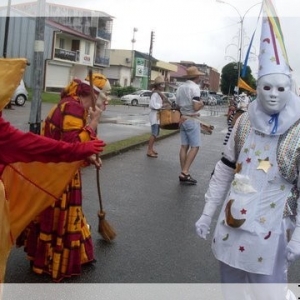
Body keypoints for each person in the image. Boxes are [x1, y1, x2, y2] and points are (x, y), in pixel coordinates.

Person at [195, 2, 299, 299]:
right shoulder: (242, 122)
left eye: (281, 88)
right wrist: (207, 212)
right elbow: (225, 168)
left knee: (269, 294)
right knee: (231, 290)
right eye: (267, 88)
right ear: (258, 88)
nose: (274, 95)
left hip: (273, 228)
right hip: (232, 223)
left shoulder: (299, 130)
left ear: (289, 87)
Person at [0, 58, 105, 285]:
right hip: (59, 173)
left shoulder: (70, 104)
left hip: (59, 167)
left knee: (61, 216)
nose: (102, 105)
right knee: (61, 217)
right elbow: (72, 143)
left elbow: (67, 144)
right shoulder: (74, 107)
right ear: (92, 96)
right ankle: (52, 262)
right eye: (101, 99)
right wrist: (94, 124)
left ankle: (53, 258)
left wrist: (90, 154)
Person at [175, 66, 204, 184]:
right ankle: (185, 172)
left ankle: (183, 171)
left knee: (184, 146)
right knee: (195, 146)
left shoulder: (180, 88)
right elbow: (196, 106)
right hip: (192, 119)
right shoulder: (195, 88)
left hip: (182, 118)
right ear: (196, 77)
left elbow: (177, 105)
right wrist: (203, 103)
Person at [146, 75, 170, 158]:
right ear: (157, 86)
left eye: (163, 84)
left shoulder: (158, 94)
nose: (163, 86)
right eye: (161, 84)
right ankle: (149, 150)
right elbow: (152, 105)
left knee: (156, 134)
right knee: (154, 134)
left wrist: (162, 105)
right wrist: (161, 106)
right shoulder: (155, 94)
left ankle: (151, 148)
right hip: (154, 116)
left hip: (157, 116)